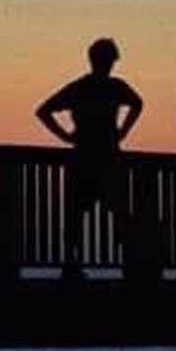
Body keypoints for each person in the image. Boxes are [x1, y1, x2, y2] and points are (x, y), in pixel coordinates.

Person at [35, 38, 143, 273]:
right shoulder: (115, 87)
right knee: (119, 212)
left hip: (83, 155)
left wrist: (65, 136)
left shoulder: (80, 87)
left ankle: (72, 262)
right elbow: (138, 104)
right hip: (107, 156)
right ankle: (129, 263)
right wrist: (122, 131)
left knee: (77, 212)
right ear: (109, 61)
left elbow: (43, 111)